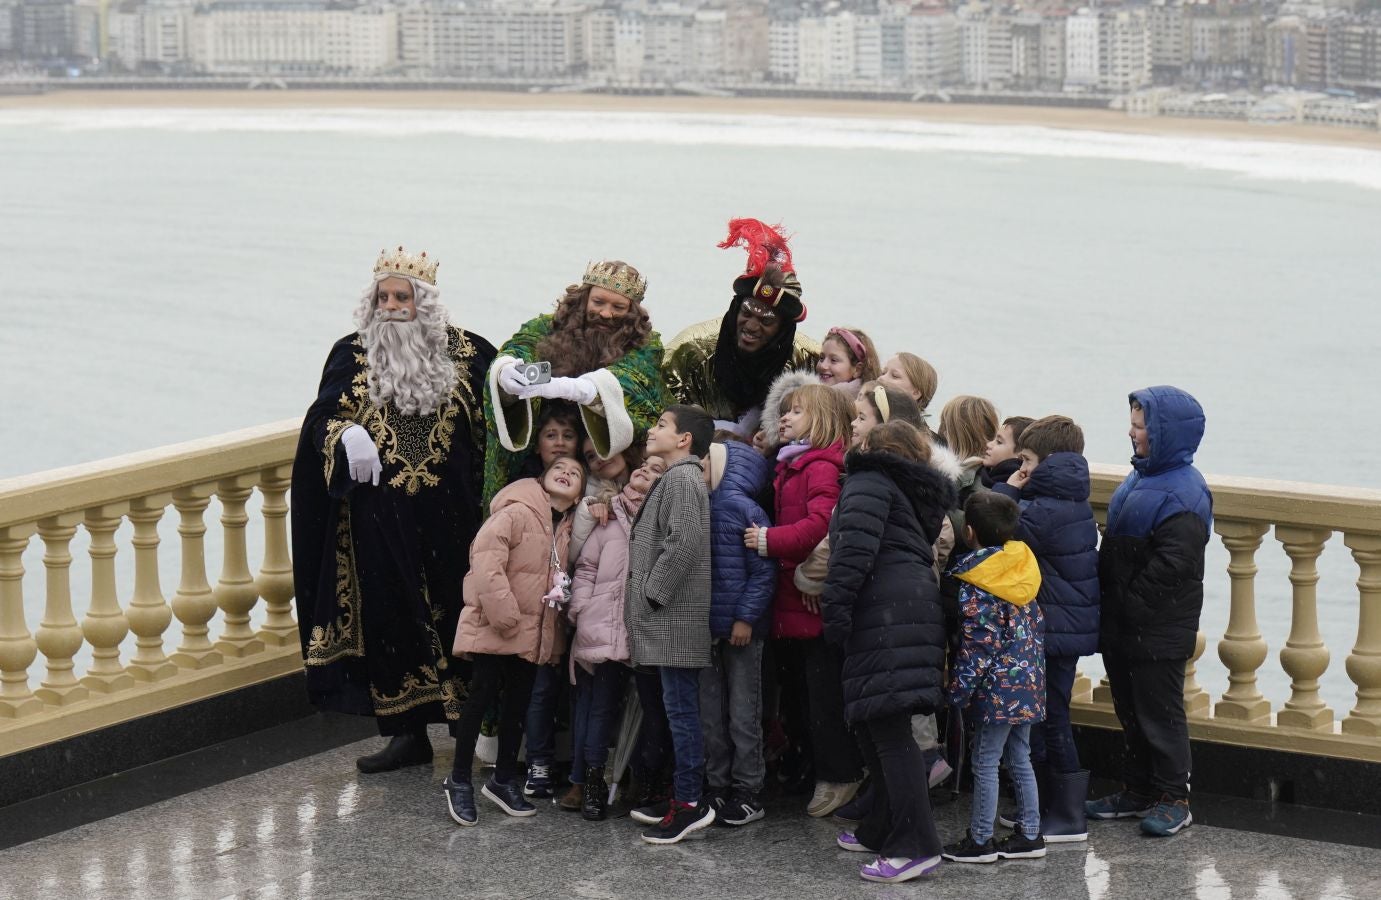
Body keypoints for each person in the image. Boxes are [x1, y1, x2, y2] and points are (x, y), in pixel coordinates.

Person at [292, 246, 496, 773]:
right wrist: (344, 433)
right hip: (378, 523)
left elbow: (499, 431)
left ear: (423, 302)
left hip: (455, 521)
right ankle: (406, 734)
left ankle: (472, 729)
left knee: (461, 617)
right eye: (382, 296)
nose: (391, 306)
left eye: (401, 296)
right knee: (390, 622)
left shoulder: (472, 354)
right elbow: (320, 421)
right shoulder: (351, 353)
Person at [822, 421, 953, 884]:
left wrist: (834, 611)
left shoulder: (868, 481)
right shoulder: (910, 489)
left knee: (889, 731)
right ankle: (881, 827)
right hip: (909, 605)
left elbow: (853, 552)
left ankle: (915, 845)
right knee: (878, 726)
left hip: (884, 609)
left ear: (875, 448)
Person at [1088, 387, 1212, 838]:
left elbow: (1174, 565)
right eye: (1133, 424)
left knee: (1160, 714)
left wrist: (1131, 605)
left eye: (1141, 426)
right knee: (1131, 710)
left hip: (1156, 627)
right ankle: (1137, 790)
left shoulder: (1185, 492)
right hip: (1124, 623)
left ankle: (1174, 798)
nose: (1132, 432)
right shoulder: (1140, 477)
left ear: (1165, 433)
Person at [443, 457, 586, 826]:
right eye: (559, 468)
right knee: (482, 695)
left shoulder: (566, 528)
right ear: (542, 477)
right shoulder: (517, 511)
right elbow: (485, 558)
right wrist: (504, 612)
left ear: (578, 496)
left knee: (518, 704)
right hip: (497, 623)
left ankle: (503, 778)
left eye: (576, 473)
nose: (566, 472)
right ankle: (458, 779)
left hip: (533, 632)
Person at [744, 383, 863, 817]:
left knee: (821, 696)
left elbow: (819, 526)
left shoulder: (820, 467)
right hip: (790, 600)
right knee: (797, 694)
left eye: (797, 411)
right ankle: (810, 765)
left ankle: (840, 775)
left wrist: (767, 541)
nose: (786, 417)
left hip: (806, 600)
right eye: (785, 411)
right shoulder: (791, 464)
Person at [483, 259, 672, 508]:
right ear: (583, 298)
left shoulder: (645, 344)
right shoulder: (546, 326)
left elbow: (634, 382)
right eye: (598, 302)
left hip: (606, 468)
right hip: (538, 456)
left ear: (632, 313)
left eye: (618, 307)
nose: (606, 313)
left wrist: (580, 390)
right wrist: (507, 370)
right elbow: (522, 346)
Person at [992, 415, 1100, 843]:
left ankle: (1068, 815)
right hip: (1061, 625)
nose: (1022, 467)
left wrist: (1008, 488)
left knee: (1050, 718)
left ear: (1049, 462)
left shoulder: (1047, 509)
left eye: (1028, 459)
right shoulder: (1068, 498)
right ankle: (1043, 806)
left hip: (1052, 628)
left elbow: (996, 526)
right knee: (1045, 717)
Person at [624, 405, 717, 844]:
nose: (651, 429)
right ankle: (681, 796)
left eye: (661, 425)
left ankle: (690, 804)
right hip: (666, 621)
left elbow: (683, 543)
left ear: (684, 440)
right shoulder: (677, 478)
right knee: (674, 711)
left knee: (681, 714)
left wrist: (652, 594)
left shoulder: (682, 478)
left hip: (671, 619)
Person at [942, 491, 1047, 864]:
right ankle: (1031, 834)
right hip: (1027, 685)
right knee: (1021, 756)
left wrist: (957, 692)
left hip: (996, 691)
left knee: (985, 761)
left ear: (969, 532)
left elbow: (979, 646)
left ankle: (981, 839)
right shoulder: (1022, 568)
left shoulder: (978, 581)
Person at [565, 454, 666, 820]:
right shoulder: (607, 517)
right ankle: (592, 781)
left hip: (642, 631)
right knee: (600, 708)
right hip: (604, 625)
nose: (644, 470)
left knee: (649, 711)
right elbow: (587, 568)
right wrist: (580, 608)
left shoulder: (661, 520)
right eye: (643, 465)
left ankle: (643, 781)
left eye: (657, 470)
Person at [662, 218, 819, 436]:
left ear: (783, 330)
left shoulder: (811, 362)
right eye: (746, 314)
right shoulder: (687, 352)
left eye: (766, 321)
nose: (752, 326)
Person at [700, 435, 777, 826]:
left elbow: (764, 571)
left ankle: (747, 789)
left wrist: (745, 618)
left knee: (742, 711)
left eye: (706, 463)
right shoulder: (706, 505)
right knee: (712, 712)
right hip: (709, 629)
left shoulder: (741, 509)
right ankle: (717, 786)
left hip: (741, 630)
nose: (700, 469)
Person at [816, 327, 880, 398]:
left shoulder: (860, 407)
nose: (823, 365)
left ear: (857, 370)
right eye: (821, 358)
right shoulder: (809, 395)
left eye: (833, 360)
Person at [876, 352, 940, 423]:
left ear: (916, 393)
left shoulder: (915, 433)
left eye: (895, 376)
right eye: (883, 373)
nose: (881, 378)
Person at [980, 416, 1034, 488]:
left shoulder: (1022, 492)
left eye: (999, 442)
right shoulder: (977, 473)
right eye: (994, 439)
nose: (988, 444)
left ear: (1021, 455)